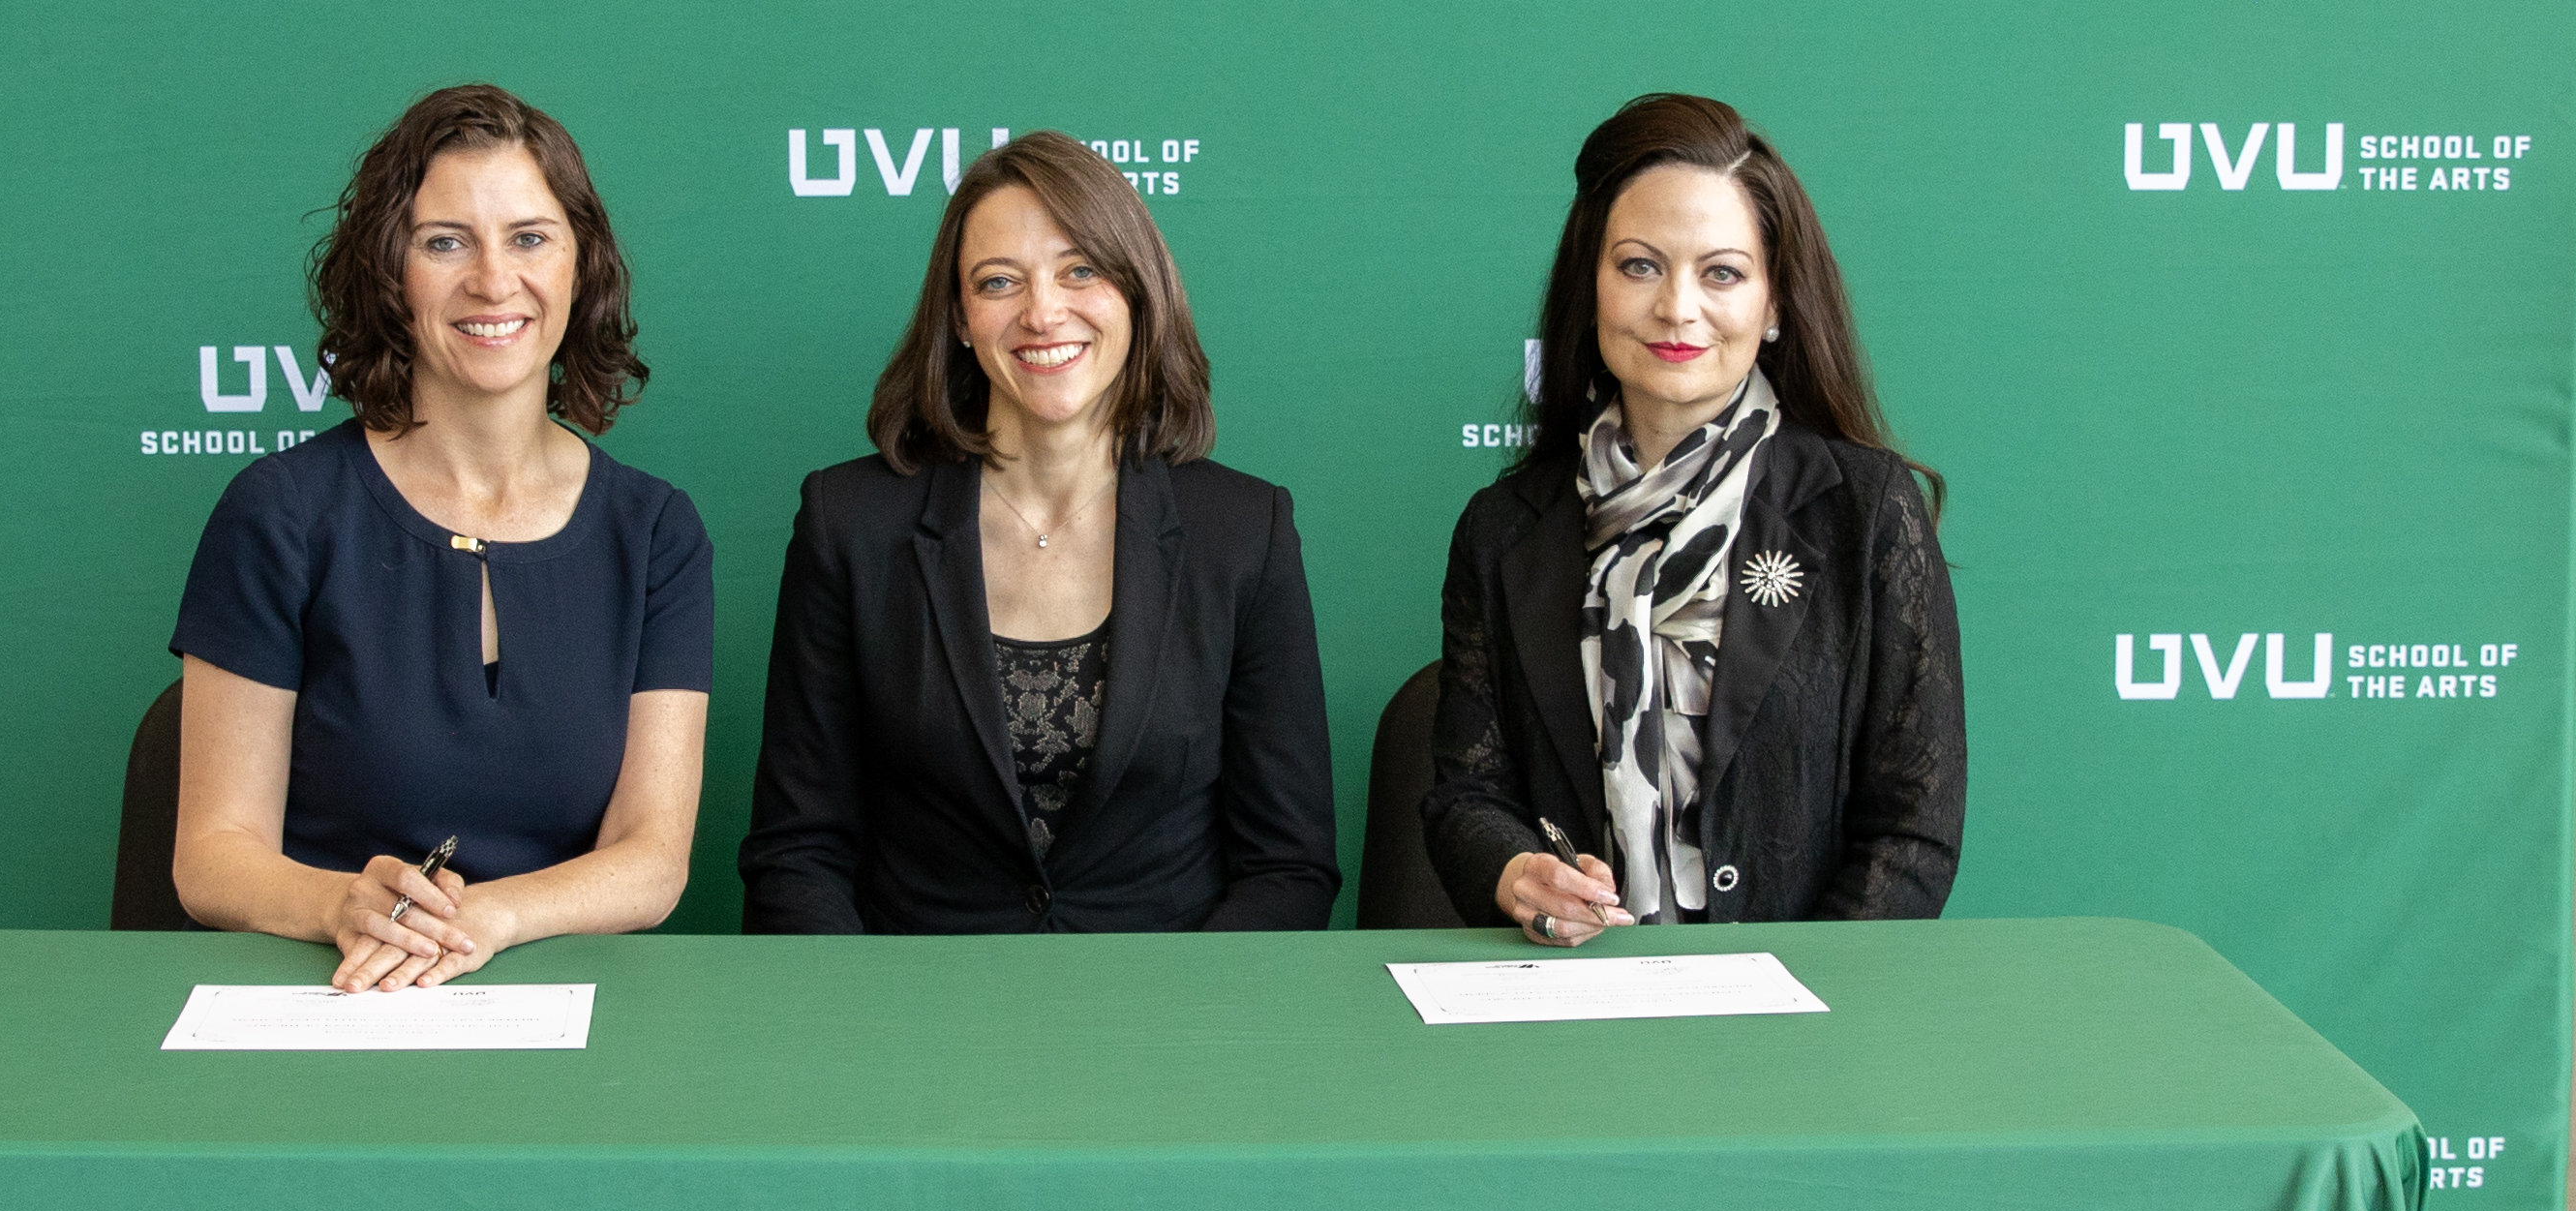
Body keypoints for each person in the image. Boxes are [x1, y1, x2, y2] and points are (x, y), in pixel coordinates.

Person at [169, 84, 711, 989]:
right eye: (445, 242)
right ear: (390, 273)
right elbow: (212, 855)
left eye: (530, 238)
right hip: (326, 991)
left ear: (582, 269)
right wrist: (340, 905)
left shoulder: (654, 532)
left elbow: (651, 859)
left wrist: (483, 921)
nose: (494, 280)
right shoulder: (281, 513)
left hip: (557, 999)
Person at [738, 132, 1338, 935]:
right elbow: (797, 854)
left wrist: (1189, 1039)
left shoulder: (1244, 532)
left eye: (1080, 270)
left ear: (1137, 293)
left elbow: (1287, 867)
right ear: (958, 317)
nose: (1043, 311)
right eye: (998, 281)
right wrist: (866, 1037)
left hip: (1170, 1019)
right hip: (914, 1012)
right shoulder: (849, 523)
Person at [1425, 93, 1962, 944]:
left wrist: (1791, 991)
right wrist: (1512, 870)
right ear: (1589, 287)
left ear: (1775, 303)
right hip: (1568, 1009)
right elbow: (1467, 796)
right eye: (1640, 265)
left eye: (1722, 273)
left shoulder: (1864, 512)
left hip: (1806, 1023)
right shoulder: (1504, 530)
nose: (1678, 308)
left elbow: (1913, 828)